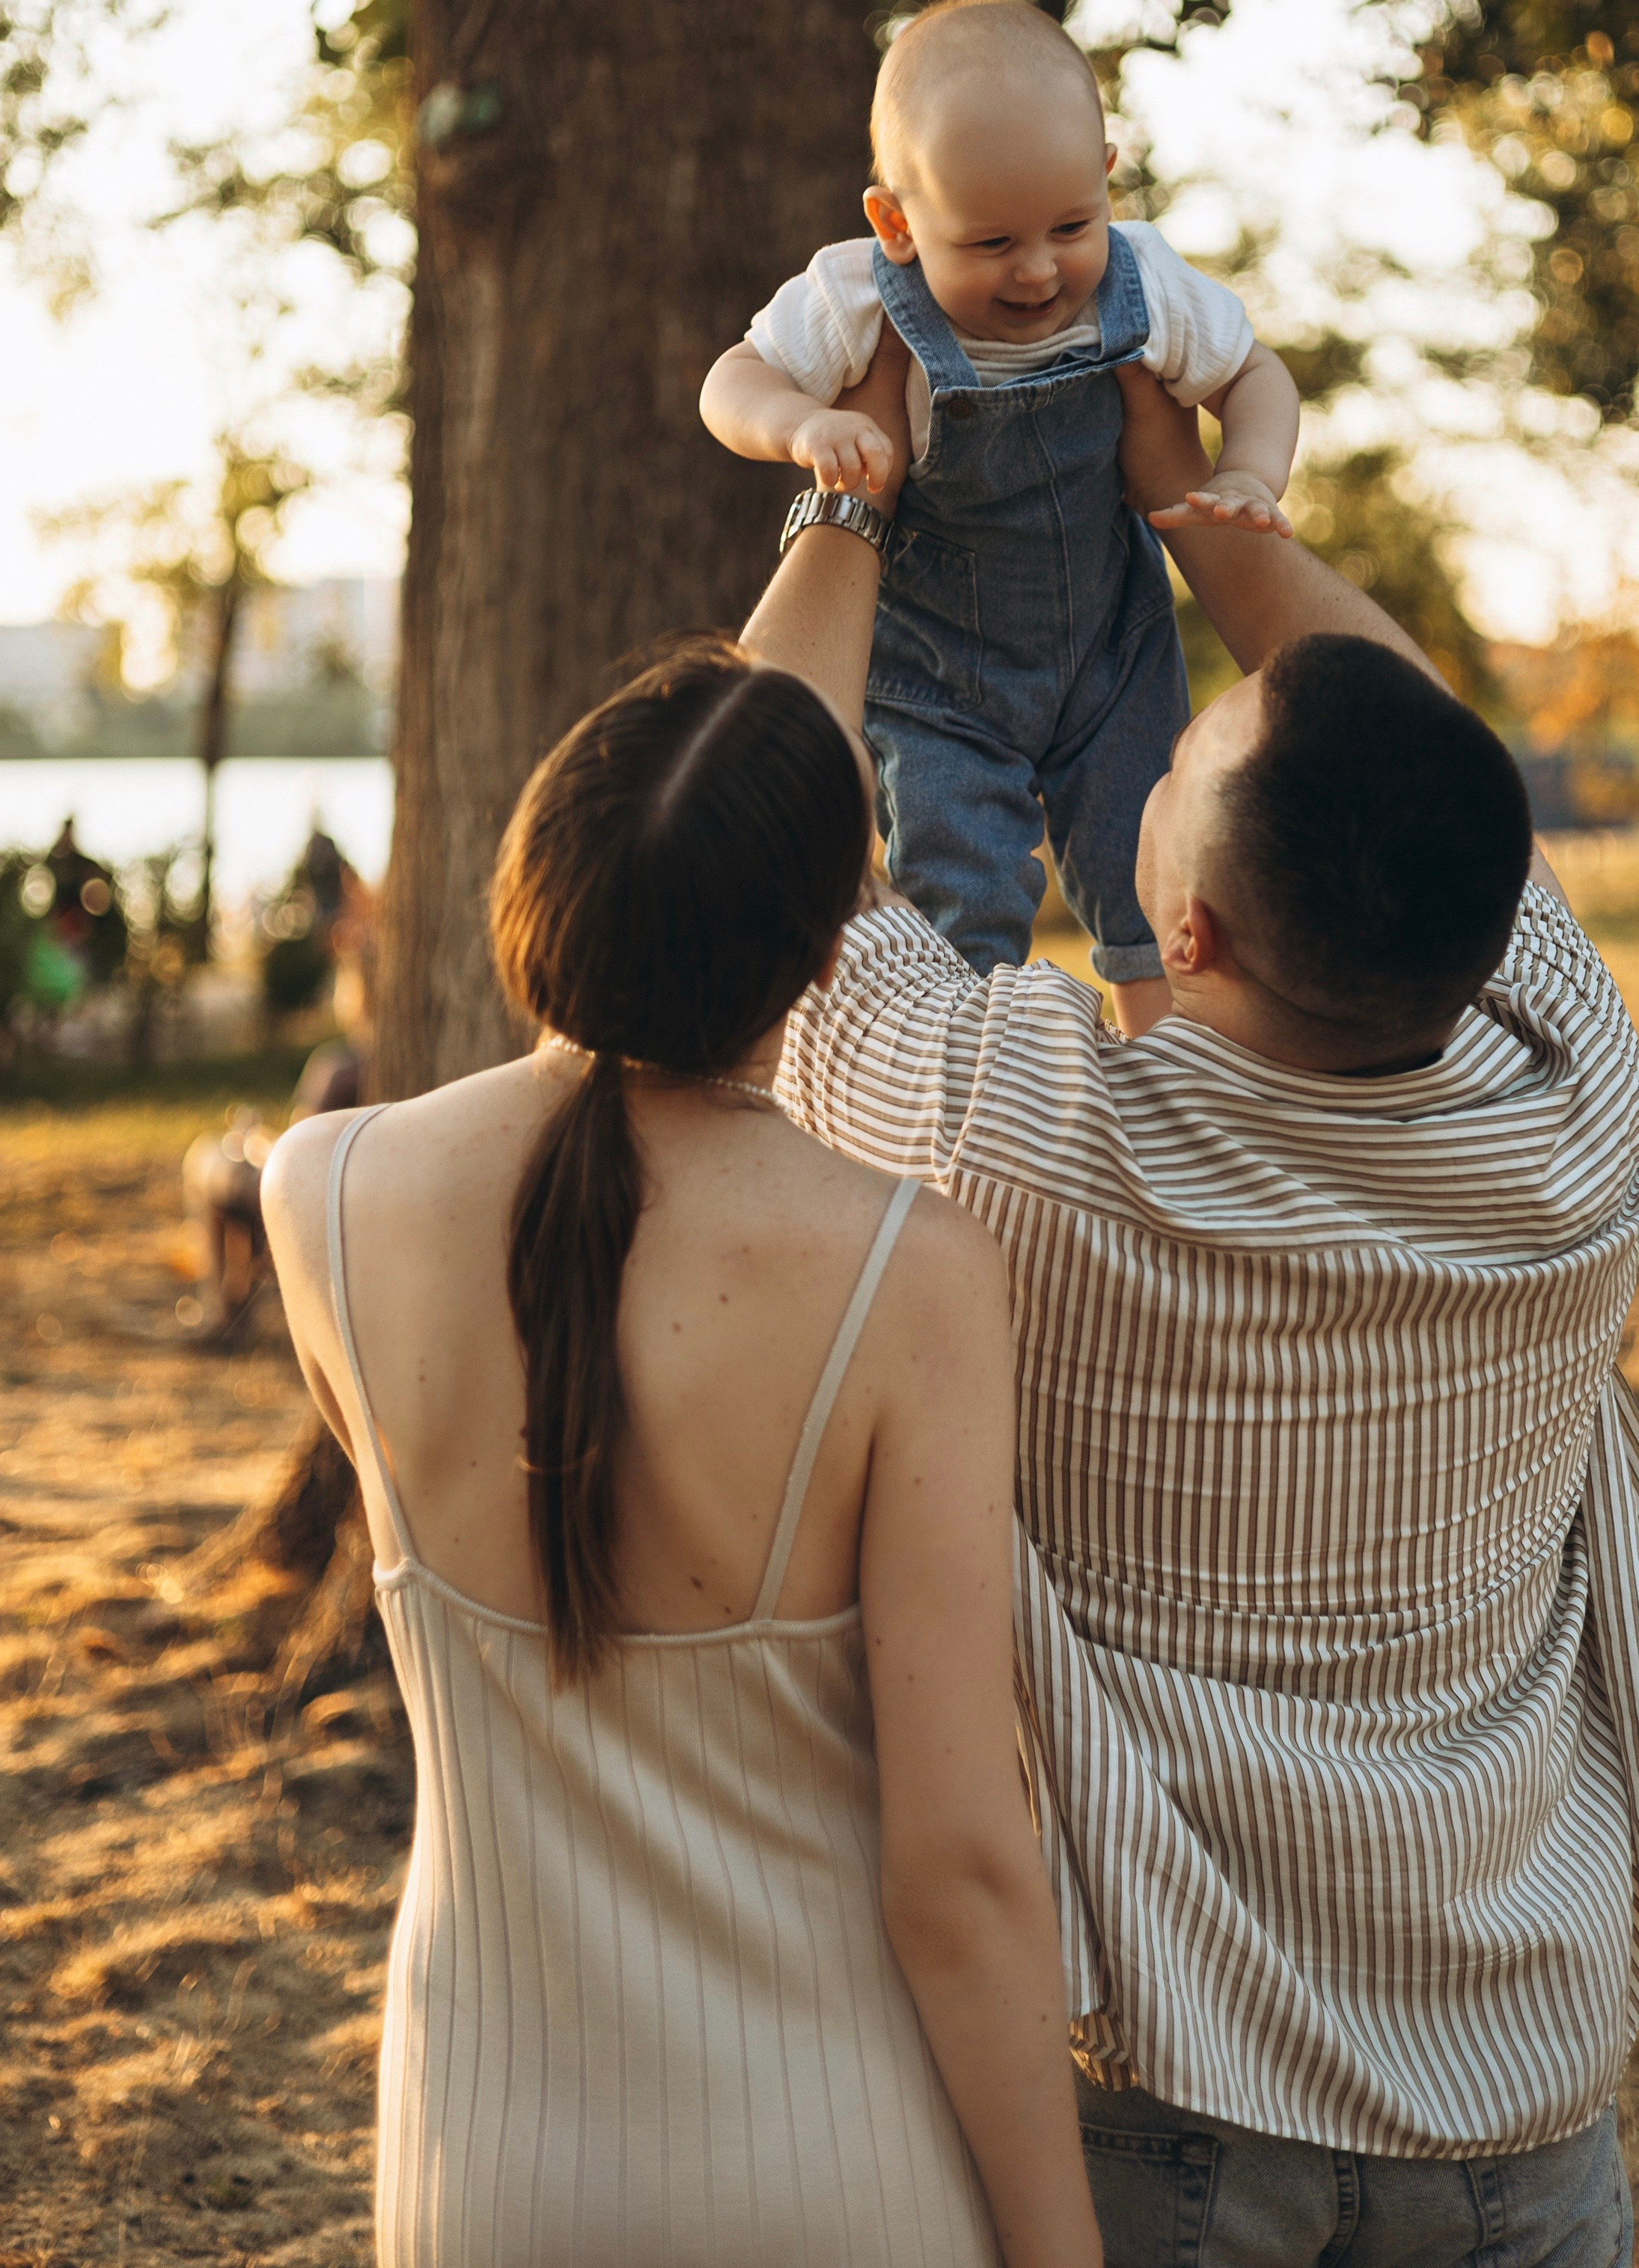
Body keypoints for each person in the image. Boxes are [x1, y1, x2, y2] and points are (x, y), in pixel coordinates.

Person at [739, 351, 1639, 2268]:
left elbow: (757, 848)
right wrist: (1196, 504)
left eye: (1172, 772)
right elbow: (1423, 756)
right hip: (1519, 2085)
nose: (1155, 764)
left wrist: (848, 498)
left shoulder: (1029, 1135)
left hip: (1165, 2096)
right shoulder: (1580, 1121)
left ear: (1187, 930)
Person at [260, 643, 1102, 2268]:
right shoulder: (903, 1275)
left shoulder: (322, 1194)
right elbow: (956, 1877)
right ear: (817, 961)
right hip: (831, 2175)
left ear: (531, 887)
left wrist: (838, 505)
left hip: (476, 2173)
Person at [701, 0, 1301, 1019]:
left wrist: (1248, 470)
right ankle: (966, 1101)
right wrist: (801, 427)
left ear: (1108, 177)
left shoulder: (1144, 282)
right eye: (988, 244)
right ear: (895, 221)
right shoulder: (856, 296)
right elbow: (731, 380)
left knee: (1155, 868)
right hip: (938, 683)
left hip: (1112, 653)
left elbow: (1257, 375)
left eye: (1072, 225)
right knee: (956, 894)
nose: (1037, 270)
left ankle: (1164, 1075)